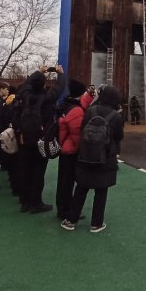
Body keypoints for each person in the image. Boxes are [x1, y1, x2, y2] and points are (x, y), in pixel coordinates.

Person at [62, 85, 124, 233]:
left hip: (86, 154)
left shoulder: (90, 110)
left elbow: (82, 129)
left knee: (81, 188)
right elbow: (118, 137)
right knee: (101, 191)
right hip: (105, 158)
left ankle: (71, 220)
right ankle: (96, 223)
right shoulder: (116, 116)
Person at [14, 66, 64, 213]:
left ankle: (24, 201)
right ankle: (35, 203)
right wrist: (60, 74)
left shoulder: (25, 95)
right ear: (43, 85)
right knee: (38, 171)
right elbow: (59, 88)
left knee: (24, 169)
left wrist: (39, 72)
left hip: (24, 138)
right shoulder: (47, 98)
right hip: (41, 139)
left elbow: (26, 85)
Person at [55, 79, 92, 221]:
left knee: (64, 180)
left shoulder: (67, 105)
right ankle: (65, 210)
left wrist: (90, 95)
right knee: (67, 182)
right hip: (71, 151)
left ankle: (63, 207)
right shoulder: (76, 111)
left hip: (65, 148)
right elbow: (77, 133)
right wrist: (83, 148)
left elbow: (83, 103)